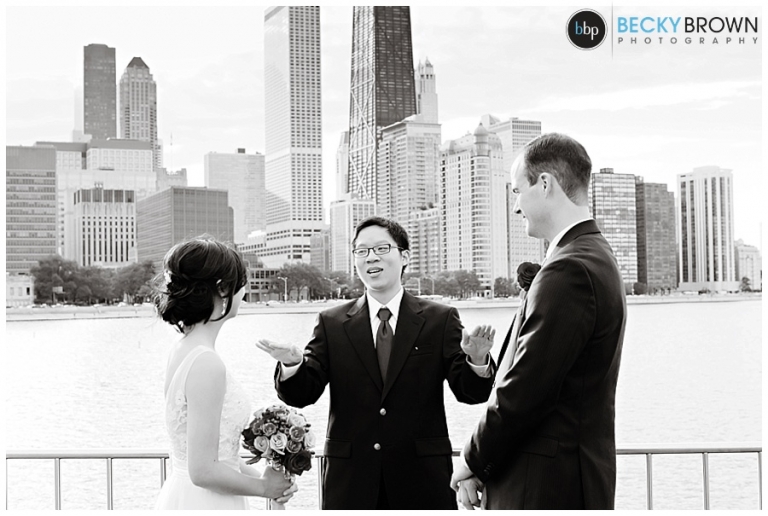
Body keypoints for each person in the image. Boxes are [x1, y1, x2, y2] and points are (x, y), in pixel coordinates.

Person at [256, 217, 496, 509]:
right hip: (351, 482)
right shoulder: (331, 323)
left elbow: (471, 393)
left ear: (404, 256)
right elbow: (303, 394)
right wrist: (293, 364)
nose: (371, 257)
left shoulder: (440, 319)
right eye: (362, 251)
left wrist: (477, 359)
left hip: (422, 480)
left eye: (382, 248)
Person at [450, 133, 627, 510]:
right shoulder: (592, 255)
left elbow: (526, 389)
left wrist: (472, 460)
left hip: (546, 488)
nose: (516, 207)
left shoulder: (569, 269)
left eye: (518, 191)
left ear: (544, 184)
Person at [153, 236, 297, 510]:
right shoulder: (206, 363)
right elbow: (203, 471)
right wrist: (264, 488)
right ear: (222, 289)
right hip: (206, 503)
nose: (244, 292)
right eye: (241, 284)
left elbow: (218, 456)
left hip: (187, 496)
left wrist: (270, 482)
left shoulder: (183, 349)